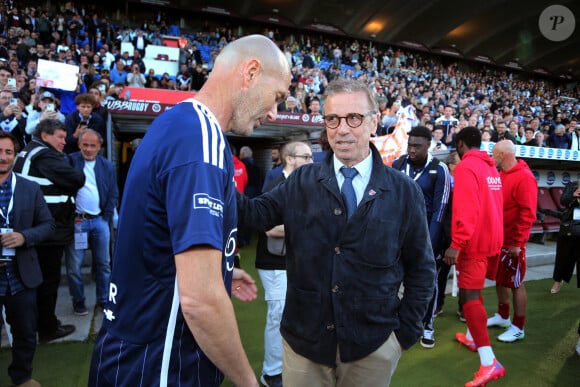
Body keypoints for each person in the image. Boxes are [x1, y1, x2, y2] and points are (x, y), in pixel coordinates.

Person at [88, 34, 291, 387]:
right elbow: (200, 301)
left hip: (130, 348)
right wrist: (248, 381)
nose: (275, 113)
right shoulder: (202, 140)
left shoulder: (177, 123)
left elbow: (161, 240)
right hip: (158, 364)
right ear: (251, 72)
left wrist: (222, 271)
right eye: (277, 97)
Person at [238, 78, 435, 386]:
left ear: (373, 122)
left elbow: (422, 269)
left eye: (354, 118)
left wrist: (403, 336)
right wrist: (208, 167)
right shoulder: (302, 180)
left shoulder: (404, 191)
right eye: (333, 118)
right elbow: (253, 214)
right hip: (304, 345)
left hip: (373, 347)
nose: (342, 129)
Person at [13, 118, 85, 343]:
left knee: (37, 281)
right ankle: (47, 328)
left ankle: (36, 324)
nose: (64, 142)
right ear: (45, 136)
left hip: (33, 228)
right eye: (60, 137)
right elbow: (77, 178)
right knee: (48, 282)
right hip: (47, 232)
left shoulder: (29, 152)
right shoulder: (44, 155)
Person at [443, 126, 505, 386]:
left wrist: (456, 244)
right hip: (491, 239)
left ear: (460, 144)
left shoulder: (467, 167)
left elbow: (467, 210)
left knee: (469, 297)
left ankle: (489, 361)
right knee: (475, 292)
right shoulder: (490, 167)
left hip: (474, 244)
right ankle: (472, 335)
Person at [256, 141, 313, 387]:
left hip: (293, 261)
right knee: (278, 316)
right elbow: (269, 229)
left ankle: (285, 366)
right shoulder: (277, 184)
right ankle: (271, 373)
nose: (312, 161)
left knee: (293, 314)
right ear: (290, 159)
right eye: (306, 156)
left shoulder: (303, 184)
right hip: (274, 262)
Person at [0, 131, 54, 387]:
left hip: (21, 275)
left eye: (8, 152)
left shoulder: (30, 188)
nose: (3, 157)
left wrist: (24, 236)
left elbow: (47, 225)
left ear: (15, 155)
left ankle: (21, 377)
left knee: (25, 333)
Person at [392, 125, 450, 349]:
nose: (412, 149)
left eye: (417, 146)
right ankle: (397, 320)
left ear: (429, 145)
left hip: (427, 234)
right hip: (399, 234)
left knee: (427, 282)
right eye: (410, 145)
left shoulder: (440, 169)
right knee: (394, 277)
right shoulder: (399, 164)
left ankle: (427, 325)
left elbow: (440, 209)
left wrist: (430, 243)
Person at [487, 140, 537, 342]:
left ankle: (518, 326)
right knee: (501, 278)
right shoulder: (502, 175)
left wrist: (518, 242)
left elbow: (528, 213)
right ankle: (503, 316)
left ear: (502, 155)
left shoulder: (525, 178)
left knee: (516, 283)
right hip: (500, 239)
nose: (492, 158)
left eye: (494, 154)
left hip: (513, 243)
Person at [65, 129, 118, 315]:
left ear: (99, 146)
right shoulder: (69, 162)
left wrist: (106, 216)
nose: (88, 149)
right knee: (73, 267)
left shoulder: (107, 166)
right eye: (85, 145)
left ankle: (103, 299)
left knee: (104, 264)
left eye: (92, 145)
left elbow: (113, 193)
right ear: (78, 144)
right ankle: (78, 301)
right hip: (78, 222)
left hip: (99, 221)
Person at [549, 180, 580, 294]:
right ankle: (558, 281)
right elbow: (563, 201)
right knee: (563, 256)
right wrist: (573, 195)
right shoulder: (573, 185)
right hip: (569, 226)